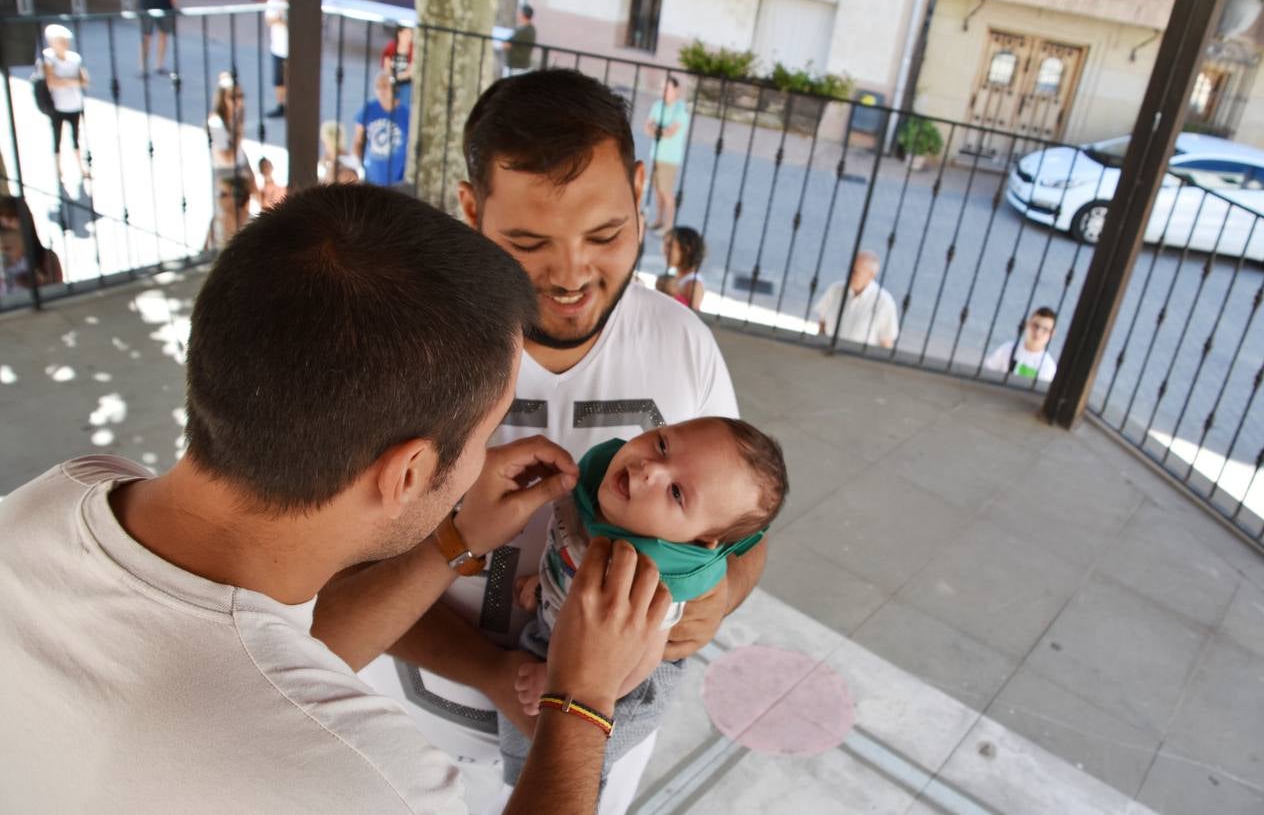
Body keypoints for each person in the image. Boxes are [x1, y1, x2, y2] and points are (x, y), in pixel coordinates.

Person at [0, 183, 672, 813]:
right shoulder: (360, 772)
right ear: (406, 473)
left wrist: (454, 539)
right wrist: (582, 699)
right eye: (485, 434)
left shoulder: (70, 492)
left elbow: (271, 653)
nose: (484, 460)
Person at [311, 69, 766, 815]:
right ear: (469, 209)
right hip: (402, 743)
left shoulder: (683, 343)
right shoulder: (404, 352)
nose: (571, 275)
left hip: (598, 758)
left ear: (641, 188)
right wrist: (495, 671)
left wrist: (723, 595)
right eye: (527, 242)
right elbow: (331, 589)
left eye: (608, 233)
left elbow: (744, 530)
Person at [497, 417, 787, 786]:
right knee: (520, 729)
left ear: (699, 540)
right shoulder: (602, 493)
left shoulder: (653, 577)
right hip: (568, 635)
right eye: (663, 445)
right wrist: (547, 583)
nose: (650, 469)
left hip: (623, 682)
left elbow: (639, 663)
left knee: (559, 768)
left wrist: (559, 683)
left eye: (677, 493)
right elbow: (573, 553)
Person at [206, 72, 257, 247]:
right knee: (226, 218)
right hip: (226, 174)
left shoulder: (233, 116)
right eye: (233, 96)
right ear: (223, 98)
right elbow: (227, 157)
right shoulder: (216, 123)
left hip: (239, 170)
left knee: (240, 217)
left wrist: (251, 175)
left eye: (241, 96)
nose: (238, 100)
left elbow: (240, 153)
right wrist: (238, 133)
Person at [814, 250, 899, 349]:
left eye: (855, 272)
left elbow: (886, 343)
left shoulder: (884, 302)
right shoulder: (835, 290)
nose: (850, 275)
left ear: (871, 275)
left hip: (858, 361)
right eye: (849, 269)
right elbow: (822, 324)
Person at [41, 24, 90, 183]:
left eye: (65, 41)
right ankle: (58, 170)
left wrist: (65, 81)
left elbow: (84, 81)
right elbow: (52, 81)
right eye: (60, 41)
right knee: (57, 139)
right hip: (58, 105)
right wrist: (72, 81)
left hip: (74, 104)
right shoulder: (48, 58)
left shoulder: (74, 58)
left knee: (76, 138)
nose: (64, 45)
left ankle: (82, 169)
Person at [644, 76, 687, 232]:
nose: (664, 92)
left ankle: (669, 225)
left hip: (670, 158)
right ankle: (659, 219)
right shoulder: (657, 105)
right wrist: (659, 130)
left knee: (666, 191)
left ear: (676, 90)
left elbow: (670, 132)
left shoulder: (681, 108)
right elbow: (647, 128)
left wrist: (656, 129)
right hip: (655, 154)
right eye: (662, 88)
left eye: (667, 88)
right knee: (657, 191)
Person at [354, 72, 410, 187]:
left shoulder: (406, 113)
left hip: (398, 177)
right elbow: (357, 141)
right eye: (377, 87)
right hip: (371, 176)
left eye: (385, 86)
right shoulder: (368, 109)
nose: (381, 91)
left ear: (394, 89)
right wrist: (358, 167)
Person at [0, 195, 63, 295]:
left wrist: (29, 281)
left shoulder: (46, 256)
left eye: (12, 218)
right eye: (3, 222)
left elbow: (57, 291)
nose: (9, 225)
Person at [984, 306, 1059, 383]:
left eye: (1045, 329)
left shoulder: (1048, 366)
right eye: (1035, 326)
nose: (1038, 333)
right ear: (1027, 324)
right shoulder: (1007, 348)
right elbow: (986, 374)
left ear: (1052, 334)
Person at [655, 225, 705, 311]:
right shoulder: (677, 277)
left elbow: (693, 316)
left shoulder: (693, 284)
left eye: (670, 245)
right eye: (664, 245)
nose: (664, 250)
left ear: (687, 249)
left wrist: (671, 295)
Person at [264, 0, 289, 118]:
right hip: (278, 49)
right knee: (279, 81)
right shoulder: (273, 3)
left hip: (291, 50)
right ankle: (281, 106)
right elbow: (271, 20)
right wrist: (280, 15)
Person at [382, 25, 415, 111]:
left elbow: (410, 72)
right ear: (399, 34)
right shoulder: (391, 47)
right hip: (391, 81)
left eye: (410, 33)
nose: (409, 36)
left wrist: (396, 77)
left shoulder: (413, 50)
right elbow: (386, 66)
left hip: (405, 84)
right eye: (406, 33)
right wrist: (391, 78)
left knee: (404, 103)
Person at [503, 4, 536, 76]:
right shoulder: (531, 29)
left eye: (519, 13)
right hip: (520, 67)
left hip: (516, 68)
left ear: (523, 15)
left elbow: (507, 44)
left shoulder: (523, 31)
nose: (517, 15)